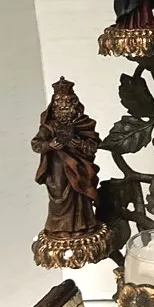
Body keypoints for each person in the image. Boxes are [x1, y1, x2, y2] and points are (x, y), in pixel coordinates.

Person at [32, 78, 101, 236]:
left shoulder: (83, 124)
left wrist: (78, 143)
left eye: (67, 103)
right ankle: (59, 229)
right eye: (59, 103)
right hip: (57, 169)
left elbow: (93, 146)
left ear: (74, 104)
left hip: (79, 167)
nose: (63, 106)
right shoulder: (48, 127)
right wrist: (50, 145)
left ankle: (85, 225)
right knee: (60, 197)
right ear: (54, 106)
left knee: (80, 193)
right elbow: (36, 144)